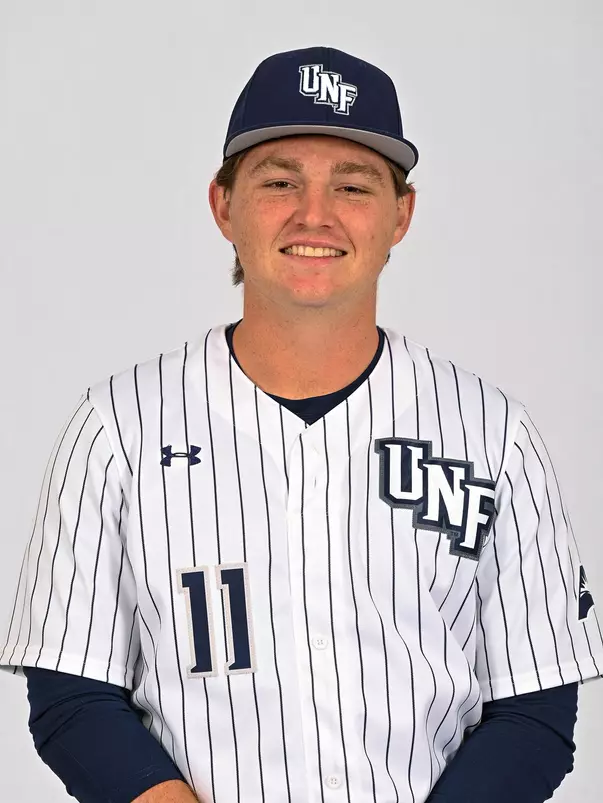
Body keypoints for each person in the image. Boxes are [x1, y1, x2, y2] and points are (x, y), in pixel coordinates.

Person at [1, 45, 602, 803]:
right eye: (279, 180)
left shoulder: (491, 434)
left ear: (400, 214)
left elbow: (535, 707)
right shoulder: (116, 428)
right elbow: (71, 699)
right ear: (223, 204)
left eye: (352, 185)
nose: (313, 214)